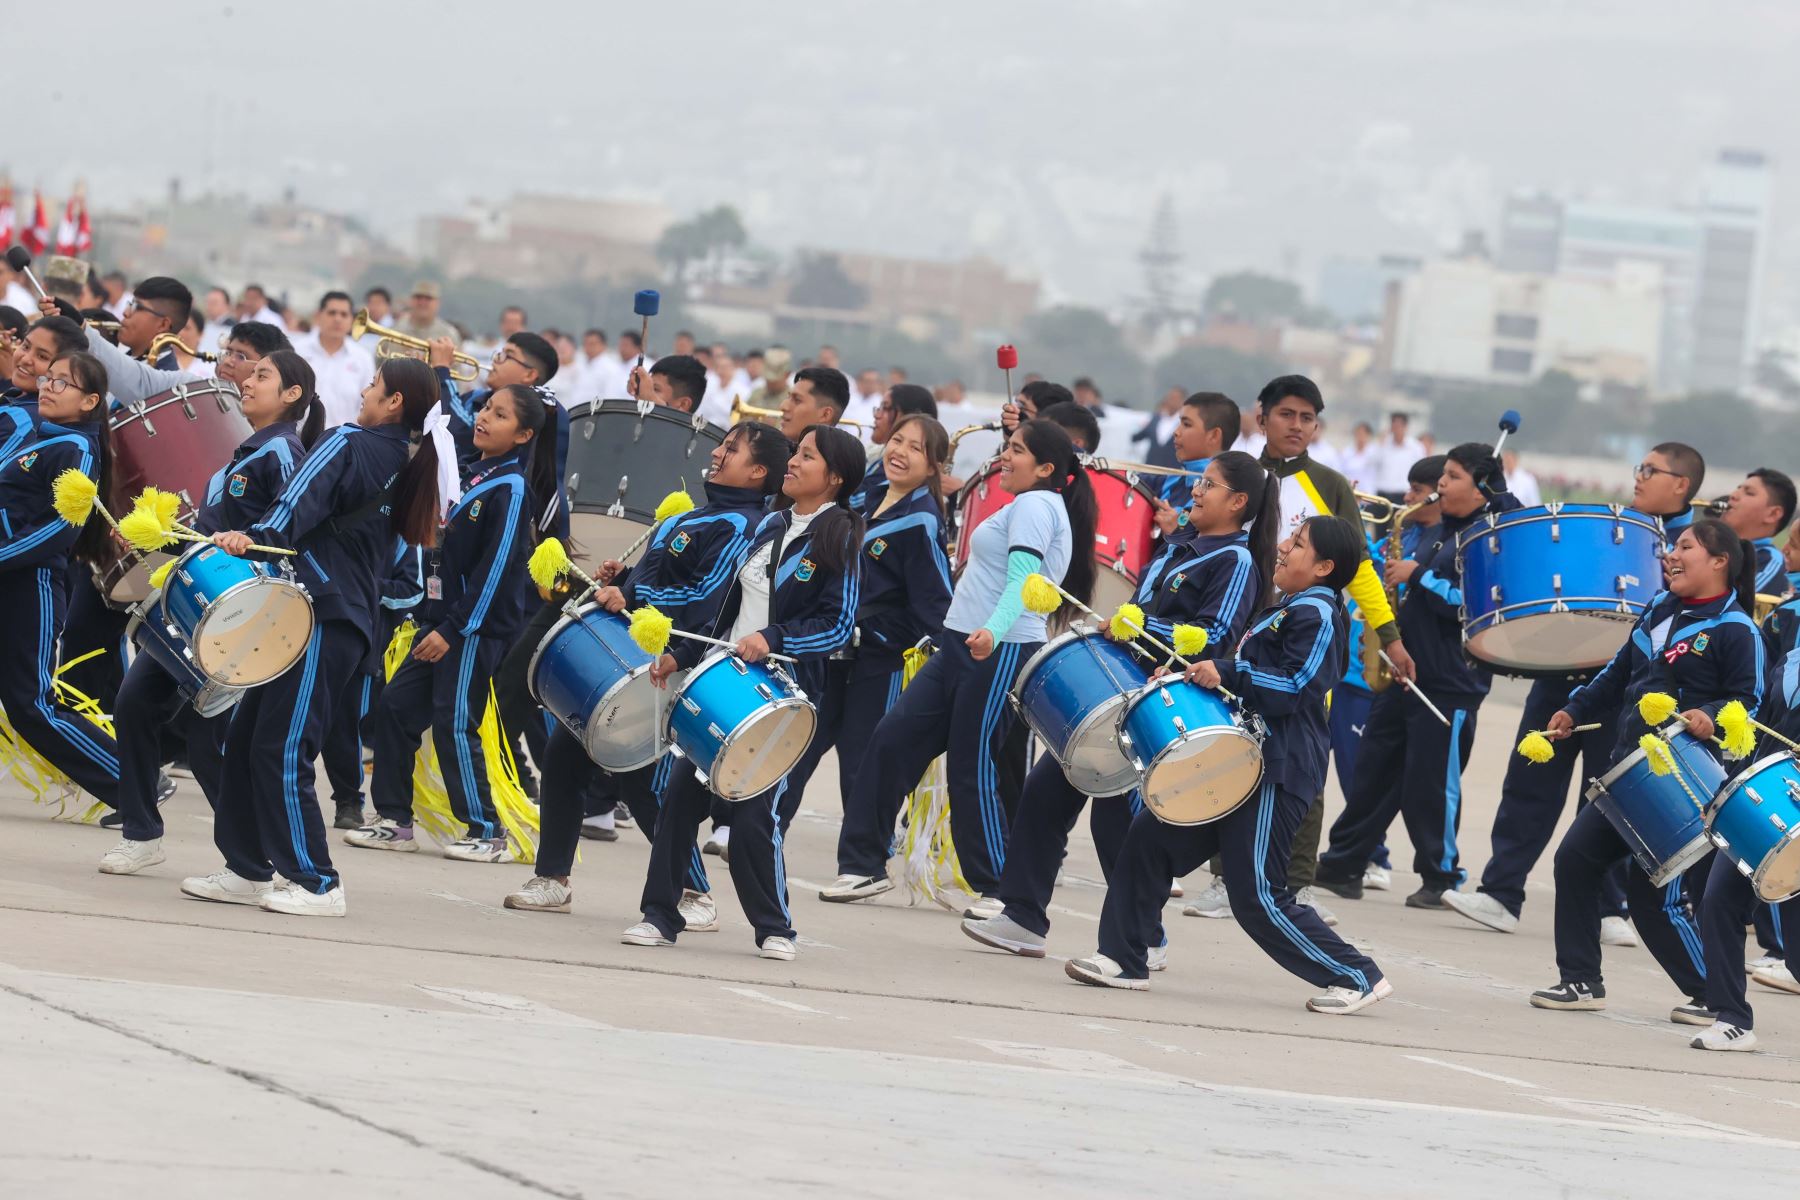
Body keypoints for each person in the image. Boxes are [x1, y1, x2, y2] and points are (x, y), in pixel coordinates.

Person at [1066, 516, 1393, 1013]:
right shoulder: (1285, 607)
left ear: (1325, 567)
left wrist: (1226, 670)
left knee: (1256, 893)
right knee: (1148, 843)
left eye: (1298, 544)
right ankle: (1122, 959)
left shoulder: (1319, 611)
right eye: (1290, 538)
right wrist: (1189, 676)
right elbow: (1244, 680)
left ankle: (1356, 974)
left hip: (1275, 771)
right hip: (1234, 757)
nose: (1283, 547)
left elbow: (1297, 686)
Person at [957, 450, 1273, 954]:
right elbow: (1140, 612)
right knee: (1046, 790)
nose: (1196, 490)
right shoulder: (1177, 546)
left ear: (1237, 502)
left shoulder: (1235, 559)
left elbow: (1216, 635)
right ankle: (1022, 916)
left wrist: (1145, 626)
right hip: (1120, 687)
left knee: (1118, 821)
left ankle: (1145, 937)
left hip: (1165, 702)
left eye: (1208, 485)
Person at [179, 357, 441, 917]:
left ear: (394, 402)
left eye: (374, 385)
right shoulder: (404, 459)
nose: (365, 392)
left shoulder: (349, 441)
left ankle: (317, 881)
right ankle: (248, 869)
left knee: (281, 745)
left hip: (320, 613)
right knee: (251, 741)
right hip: (332, 615)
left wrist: (250, 538)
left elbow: (292, 509)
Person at [501, 420, 785, 917]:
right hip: (629, 652)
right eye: (722, 445)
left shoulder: (741, 526)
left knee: (640, 779)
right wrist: (624, 581)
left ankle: (694, 890)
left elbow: (705, 596)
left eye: (732, 450)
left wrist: (634, 595)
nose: (718, 453)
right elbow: (659, 576)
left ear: (757, 472)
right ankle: (553, 878)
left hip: (669, 661)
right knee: (567, 755)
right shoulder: (694, 515)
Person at [623, 425, 867, 960]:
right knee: (680, 801)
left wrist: (774, 639)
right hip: (723, 681)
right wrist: (682, 656)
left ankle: (775, 926)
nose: (794, 462)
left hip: (780, 693)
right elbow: (726, 612)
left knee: (756, 816)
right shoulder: (772, 524)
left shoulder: (841, 535)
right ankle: (659, 915)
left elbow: (837, 625)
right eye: (796, 453)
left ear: (835, 478)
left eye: (807, 457)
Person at [1444, 442, 1706, 939]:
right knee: (1530, 780)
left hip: (1628, 689)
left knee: (1610, 798)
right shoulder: (1613, 525)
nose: (1638, 478)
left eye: (1650, 471)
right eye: (1639, 468)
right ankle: (1502, 893)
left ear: (1681, 485)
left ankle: (1612, 909)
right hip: (1565, 671)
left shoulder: (1692, 545)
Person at [835, 419, 1097, 909]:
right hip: (960, 642)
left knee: (972, 765)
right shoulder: (1027, 503)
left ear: (1044, 468)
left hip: (998, 647)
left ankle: (999, 889)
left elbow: (1024, 580)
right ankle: (863, 864)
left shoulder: (1038, 505)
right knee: (894, 739)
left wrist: (992, 632)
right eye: (1007, 447)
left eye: (1016, 450)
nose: (1005, 457)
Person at [1185, 376, 1413, 920]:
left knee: (1303, 764)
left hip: (1302, 643)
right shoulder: (1237, 476)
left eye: (1308, 418)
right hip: (1237, 636)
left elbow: (1357, 569)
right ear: (1260, 417)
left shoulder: (1331, 486)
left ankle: (1298, 883)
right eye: (1287, 415)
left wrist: (1388, 635)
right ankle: (1225, 878)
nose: (1297, 426)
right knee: (1231, 755)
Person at [1527, 519, 1762, 1035]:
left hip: (1685, 781)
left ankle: (1713, 995)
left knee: (1653, 895)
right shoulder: (1658, 609)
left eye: (1684, 548)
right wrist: (1573, 708)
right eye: (1671, 549)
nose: (1670, 555)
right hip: (1631, 772)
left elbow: (1751, 703)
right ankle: (1581, 981)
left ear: (1719, 562)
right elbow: (1616, 674)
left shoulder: (1736, 629)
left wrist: (1713, 716)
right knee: (1575, 861)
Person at [97, 352, 323, 874]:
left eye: (263, 376)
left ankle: (254, 857)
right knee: (134, 704)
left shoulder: (284, 452)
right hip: (199, 609)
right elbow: (211, 538)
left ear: (292, 395)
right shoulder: (241, 454)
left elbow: (287, 528)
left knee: (210, 743)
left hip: (242, 616)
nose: (249, 381)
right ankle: (141, 833)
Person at [351, 385, 553, 861]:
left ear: (523, 434)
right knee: (395, 710)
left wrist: (453, 630)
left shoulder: (511, 488)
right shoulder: (474, 472)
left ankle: (486, 830)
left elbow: (497, 569)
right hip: (441, 623)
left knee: (455, 723)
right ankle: (395, 820)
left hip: (470, 631)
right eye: (486, 408)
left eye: (500, 415)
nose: (484, 418)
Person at [1315, 443, 1519, 908]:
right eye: (1441, 476)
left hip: (1450, 680)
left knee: (1431, 784)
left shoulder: (1491, 537)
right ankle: (1345, 861)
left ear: (1482, 487)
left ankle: (1442, 874)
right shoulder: (1437, 532)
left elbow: (1479, 606)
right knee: (1374, 772)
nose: (1441, 486)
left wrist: (1419, 576)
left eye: (1452, 477)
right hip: (1404, 672)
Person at [0, 348, 120, 815]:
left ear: (90, 401)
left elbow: (59, 530)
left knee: (32, 705)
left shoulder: (77, 448)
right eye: (48, 379)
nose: (48, 387)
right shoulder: (40, 437)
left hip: (30, 586)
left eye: (61, 382)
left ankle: (131, 784)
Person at [1330, 455, 1444, 894]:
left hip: (1371, 675)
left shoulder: (1437, 542)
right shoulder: (1409, 533)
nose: (1407, 498)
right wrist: (1348, 520)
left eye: (1417, 491)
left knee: (1360, 771)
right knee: (1346, 767)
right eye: (1410, 488)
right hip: (1350, 665)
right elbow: (1358, 562)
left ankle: (1375, 857)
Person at [1151, 391, 1240, 534]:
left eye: (1186, 424)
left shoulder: (1225, 496)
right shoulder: (1171, 480)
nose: (1176, 432)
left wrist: (1178, 529)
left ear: (1214, 435)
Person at [850, 383, 938, 512]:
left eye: (885, 408)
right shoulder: (880, 456)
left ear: (908, 418)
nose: (876, 415)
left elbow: (852, 503)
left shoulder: (898, 464)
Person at [298, 291, 377, 429]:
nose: (337, 319)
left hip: (345, 442)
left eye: (344, 314)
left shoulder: (363, 358)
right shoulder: (298, 351)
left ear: (352, 320)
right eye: (332, 313)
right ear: (319, 315)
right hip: (298, 440)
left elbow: (368, 403)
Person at [1720, 468, 1796, 597]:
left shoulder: (1769, 560)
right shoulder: (1714, 549)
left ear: (1773, 514)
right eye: (1738, 488)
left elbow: (1735, 603)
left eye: (1749, 493)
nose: (1733, 495)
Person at [118, 277, 193, 368]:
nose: (126, 313)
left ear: (163, 325)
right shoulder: (125, 359)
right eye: (130, 304)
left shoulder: (164, 380)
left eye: (137, 307)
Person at [1370, 412, 1424, 503]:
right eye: (1394, 425)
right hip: (1382, 493)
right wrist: (1380, 442)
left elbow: (1420, 470)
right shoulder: (1382, 444)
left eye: (1399, 425)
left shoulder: (1416, 447)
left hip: (1403, 493)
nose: (1397, 429)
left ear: (1405, 427)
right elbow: (1372, 462)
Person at [1131, 387, 1182, 469]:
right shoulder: (1156, 418)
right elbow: (1138, 436)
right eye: (1170, 397)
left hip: (1172, 472)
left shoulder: (1184, 423)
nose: (1171, 401)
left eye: (1175, 398)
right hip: (1150, 470)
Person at [1341, 422, 1376, 492]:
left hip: (1369, 495)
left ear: (1368, 435)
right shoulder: (1346, 453)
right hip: (1351, 493)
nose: (1360, 436)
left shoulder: (1374, 452)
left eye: (1363, 434)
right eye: (1358, 433)